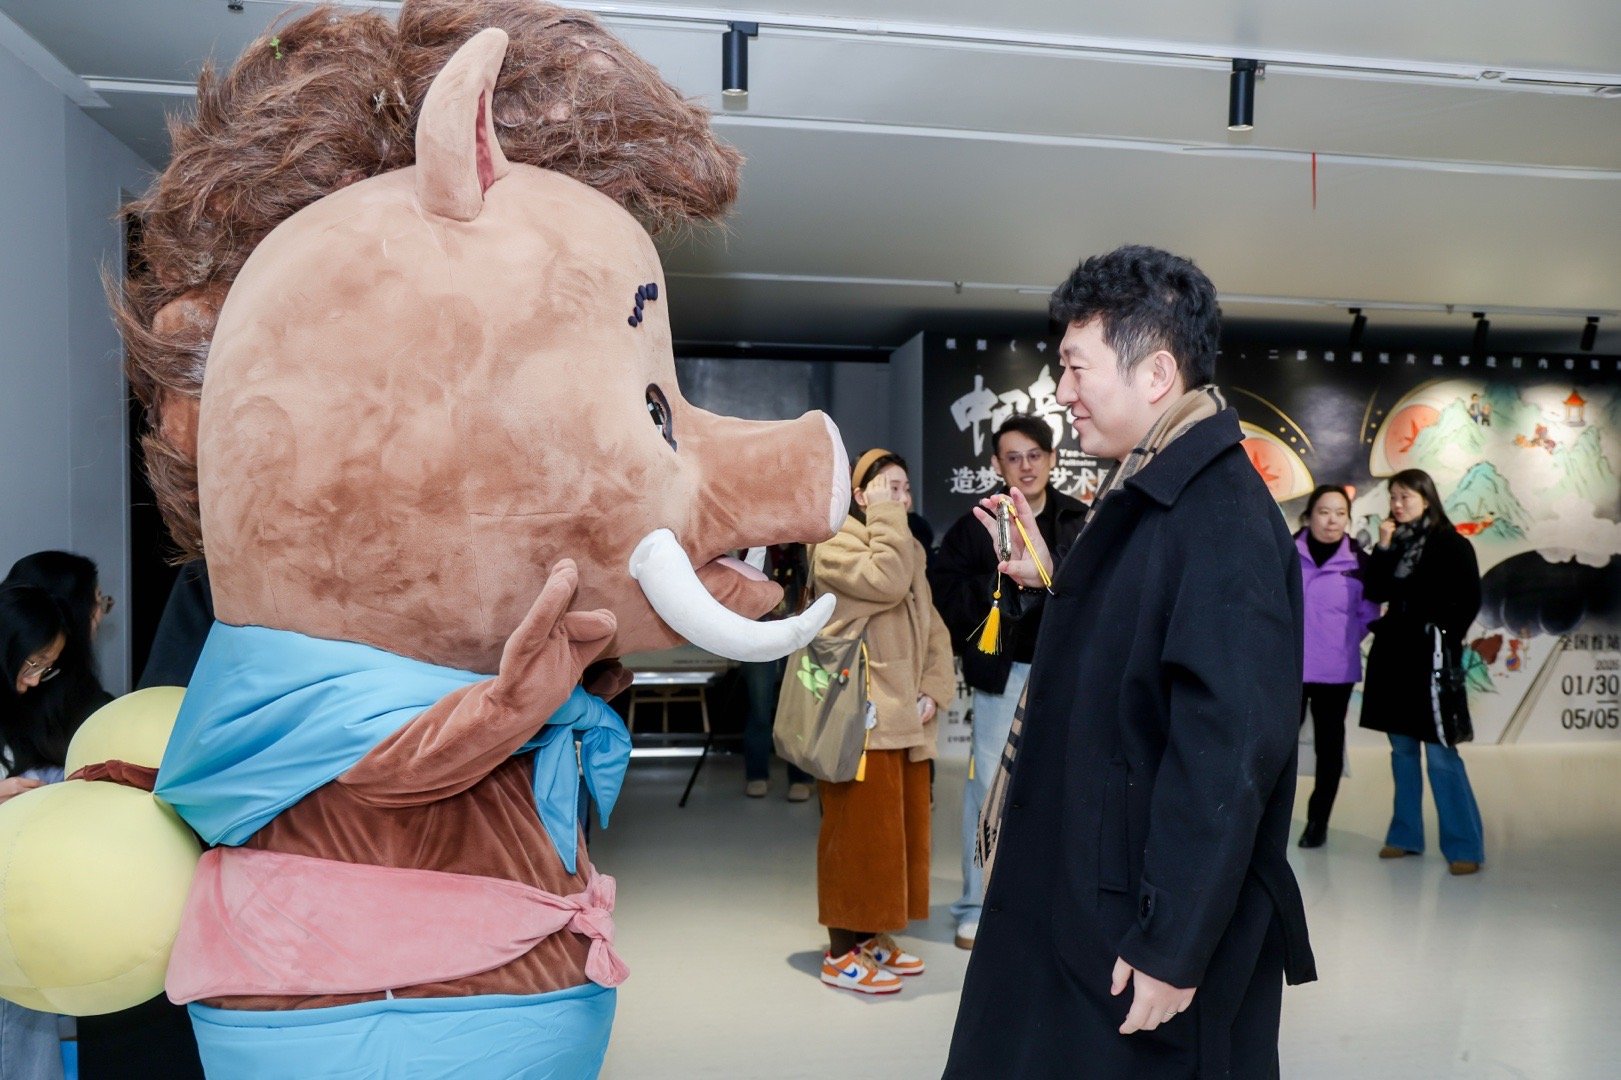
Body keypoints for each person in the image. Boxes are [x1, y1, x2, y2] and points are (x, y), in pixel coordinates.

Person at [944, 246, 1315, 1078]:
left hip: (1130, 930)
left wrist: (1172, 944)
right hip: (1087, 893)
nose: (1060, 390)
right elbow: (1126, 666)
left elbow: (1228, 750)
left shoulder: (1217, 516)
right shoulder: (1146, 494)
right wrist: (1051, 590)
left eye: (1075, 366)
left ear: (1154, 374)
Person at [930, 414, 1086, 949]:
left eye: (1034, 455)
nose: (1026, 466)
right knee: (987, 791)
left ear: (1052, 459)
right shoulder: (976, 524)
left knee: (1064, 787)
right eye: (1013, 457)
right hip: (1002, 677)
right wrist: (1002, 585)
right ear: (997, 464)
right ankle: (976, 904)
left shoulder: (1078, 520)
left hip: (1065, 676)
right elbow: (945, 594)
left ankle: (1049, 901)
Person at [811, 449, 955, 995]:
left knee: (895, 838)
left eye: (906, 489)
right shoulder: (833, 545)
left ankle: (870, 934)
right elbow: (888, 583)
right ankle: (839, 952)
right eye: (890, 488)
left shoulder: (905, 544)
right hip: (859, 721)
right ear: (860, 495)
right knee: (855, 837)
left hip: (904, 718)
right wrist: (888, 517)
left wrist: (934, 687)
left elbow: (932, 624)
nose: (902, 498)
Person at [0, 578, 113, 1080]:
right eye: (31, 664)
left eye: (46, 669)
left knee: (27, 1033)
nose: (32, 682)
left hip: (17, 908)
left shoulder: (18, 709)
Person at [1359, 469, 1486, 875]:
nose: (1397, 505)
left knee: (1440, 751)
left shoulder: (1452, 543)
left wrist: (1443, 636)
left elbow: (1469, 600)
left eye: (1405, 497)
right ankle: (1404, 836)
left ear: (1427, 499)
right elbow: (1375, 591)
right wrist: (1382, 546)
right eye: (1393, 497)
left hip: (1430, 657)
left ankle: (1464, 846)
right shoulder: (1395, 541)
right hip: (1394, 655)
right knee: (1401, 751)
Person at [1295, 485, 1380, 848]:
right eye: (1324, 512)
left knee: (1329, 749)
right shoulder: (1286, 552)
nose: (1332, 521)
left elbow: (1369, 614)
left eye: (1340, 513)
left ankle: (1318, 822)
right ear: (1309, 516)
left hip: (1336, 670)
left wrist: (1341, 641)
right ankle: (1269, 818)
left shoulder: (1360, 561)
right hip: (1289, 670)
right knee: (1279, 747)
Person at [741, 545, 815, 801]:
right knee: (759, 708)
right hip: (759, 634)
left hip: (799, 634)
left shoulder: (806, 545)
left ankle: (801, 777)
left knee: (798, 707)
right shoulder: (756, 541)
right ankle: (757, 775)